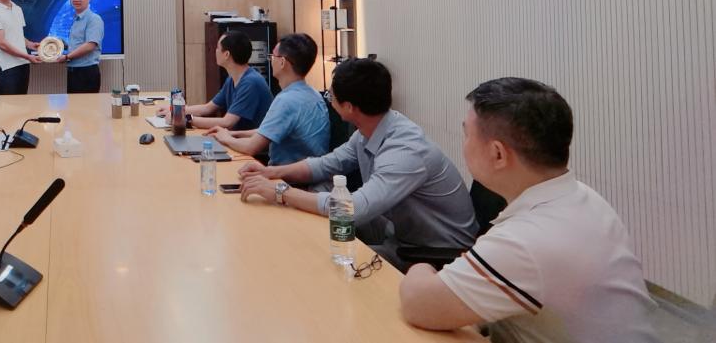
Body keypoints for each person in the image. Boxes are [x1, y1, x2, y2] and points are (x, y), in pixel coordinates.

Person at [399, 78, 657, 342]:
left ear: (498, 154)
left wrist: (421, 267)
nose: (464, 144)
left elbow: (418, 304)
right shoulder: (583, 197)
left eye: (467, 135)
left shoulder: (523, 242)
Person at [239, 58, 476, 269]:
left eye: (331, 96)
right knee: (310, 235)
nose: (330, 100)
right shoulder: (370, 130)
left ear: (349, 107)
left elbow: (352, 210)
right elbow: (326, 164)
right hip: (401, 233)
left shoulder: (405, 151)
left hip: (435, 255)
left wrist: (281, 192)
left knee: (321, 261)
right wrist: (269, 172)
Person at [208, 33, 329, 165]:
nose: (271, 60)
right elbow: (268, 130)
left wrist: (226, 139)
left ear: (282, 62)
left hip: (285, 175)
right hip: (309, 173)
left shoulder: (286, 101)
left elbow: (251, 147)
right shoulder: (314, 95)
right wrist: (233, 134)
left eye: (272, 56)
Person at [158, 32, 272, 131]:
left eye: (217, 47)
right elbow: (208, 108)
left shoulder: (251, 82)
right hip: (237, 140)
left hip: (253, 147)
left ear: (226, 54)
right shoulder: (232, 79)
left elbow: (227, 122)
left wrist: (184, 119)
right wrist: (175, 110)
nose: (215, 51)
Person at [60, 0, 104, 94]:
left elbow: (90, 45)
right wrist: (61, 45)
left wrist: (67, 57)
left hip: (86, 72)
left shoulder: (94, 19)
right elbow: (78, 44)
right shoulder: (76, 19)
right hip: (73, 71)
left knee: (86, 105)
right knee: (73, 105)